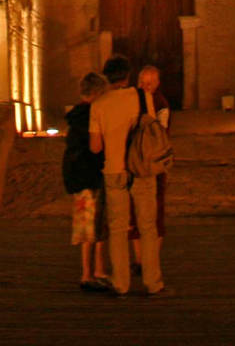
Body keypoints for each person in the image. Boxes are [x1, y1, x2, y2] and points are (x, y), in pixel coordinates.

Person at [89, 54, 166, 296]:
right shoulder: (143, 97)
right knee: (148, 228)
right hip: (142, 170)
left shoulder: (98, 104)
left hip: (114, 171)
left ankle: (121, 283)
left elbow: (96, 147)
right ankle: (153, 282)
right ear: (128, 76)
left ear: (106, 77)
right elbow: (153, 131)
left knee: (118, 228)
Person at [63, 72, 109, 292]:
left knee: (91, 226)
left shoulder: (76, 116)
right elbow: (95, 148)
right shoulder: (91, 115)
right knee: (92, 226)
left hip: (80, 176)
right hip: (89, 176)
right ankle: (88, 273)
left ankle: (94, 271)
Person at [136, 64, 172, 240]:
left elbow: (159, 134)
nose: (145, 87)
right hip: (137, 165)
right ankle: (139, 262)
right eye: (142, 83)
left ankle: (153, 258)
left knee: (156, 210)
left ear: (157, 84)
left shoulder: (161, 105)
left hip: (155, 163)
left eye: (149, 83)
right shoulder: (134, 101)